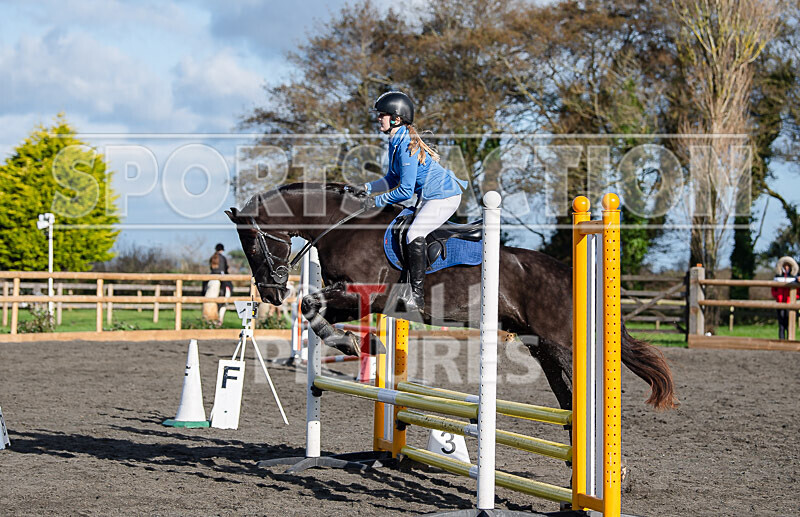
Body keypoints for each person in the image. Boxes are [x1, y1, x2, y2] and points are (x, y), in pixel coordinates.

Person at [361, 91, 468, 315]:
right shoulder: (396, 142)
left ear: (396, 119)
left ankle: (416, 296)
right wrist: (366, 189)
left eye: (383, 115)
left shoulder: (406, 146)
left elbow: (404, 191)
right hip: (429, 195)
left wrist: (376, 201)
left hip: (445, 196)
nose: (378, 118)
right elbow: (392, 179)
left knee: (413, 233)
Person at [771, 257, 798, 340]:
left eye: (788, 266)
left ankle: (790, 339)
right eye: (785, 266)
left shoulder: (795, 277)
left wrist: (795, 297)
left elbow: (798, 291)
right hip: (780, 303)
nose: (786, 268)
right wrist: (777, 296)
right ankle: (781, 340)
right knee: (781, 323)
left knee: (789, 323)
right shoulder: (777, 276)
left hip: (790, 303)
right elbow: (773, 289)